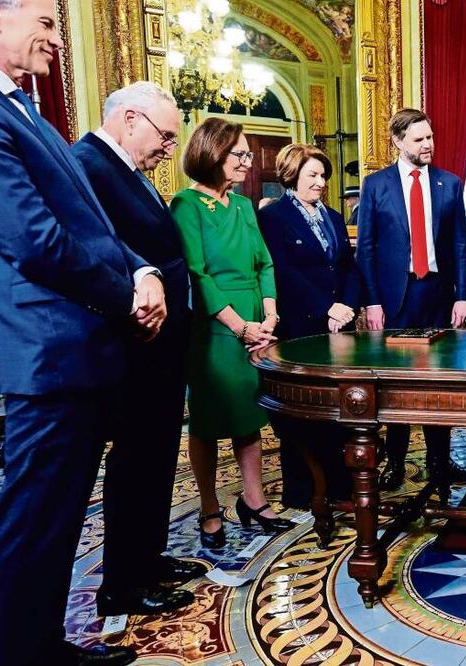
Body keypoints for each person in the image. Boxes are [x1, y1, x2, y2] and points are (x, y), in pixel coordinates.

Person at [0, 1, 166, 662]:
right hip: (44, 349)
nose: (56, 39)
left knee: (55, 522)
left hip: (75, 349)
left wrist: (141, 267)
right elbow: (31, 239)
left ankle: (40, 644)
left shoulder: (26, 109)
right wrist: (128, 297)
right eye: (48, 22)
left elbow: (93, 226)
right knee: (30, 524)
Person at [72, 81, 207, 617]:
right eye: (166, 137)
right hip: (134, 346)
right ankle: (123, 584)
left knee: (155, 460)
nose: (170, 149)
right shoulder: (89, 164)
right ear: (131, 120)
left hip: (160, 348)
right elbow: (98, 245)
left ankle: (147, 559)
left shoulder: (128, 171)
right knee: (134, 463)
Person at [172, 118, 291, 549]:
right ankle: (208, 508)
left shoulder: (243, 206)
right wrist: (240, 326)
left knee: (248, 416)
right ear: (212, 153)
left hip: (257, 325)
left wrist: (270, 318)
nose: (247, 161)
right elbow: (197, 274)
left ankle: (254, 500)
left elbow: (265, 264)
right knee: (207, 423)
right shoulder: (185, 204)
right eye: (238, 154)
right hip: (214, 329)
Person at [355, 108, 466, 492]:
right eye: (420, 139)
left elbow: (459, 244)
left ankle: (441, 459)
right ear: (398, 142)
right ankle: (396, 462)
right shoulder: (376, 185)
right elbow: (367, 249)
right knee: (396, 385)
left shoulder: (449, 184)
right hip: (395, 298)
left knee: (438, 385)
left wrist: (464, 296)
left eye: (431, 137)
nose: (429, 145)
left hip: (438, 294)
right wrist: (372, 302)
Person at [257, 143, 362, 509]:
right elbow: (283, 273)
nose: (320, 183)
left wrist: (346, 307)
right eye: (313, 175)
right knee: (303, 412)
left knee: (337, 411)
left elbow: (348, 267)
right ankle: (302, 492)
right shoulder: (274, 217)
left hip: (339, 328)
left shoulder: (334, 218)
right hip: (302, 328)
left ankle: (338, 486)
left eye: (323, 176)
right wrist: (326, 307)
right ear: (292, 175)